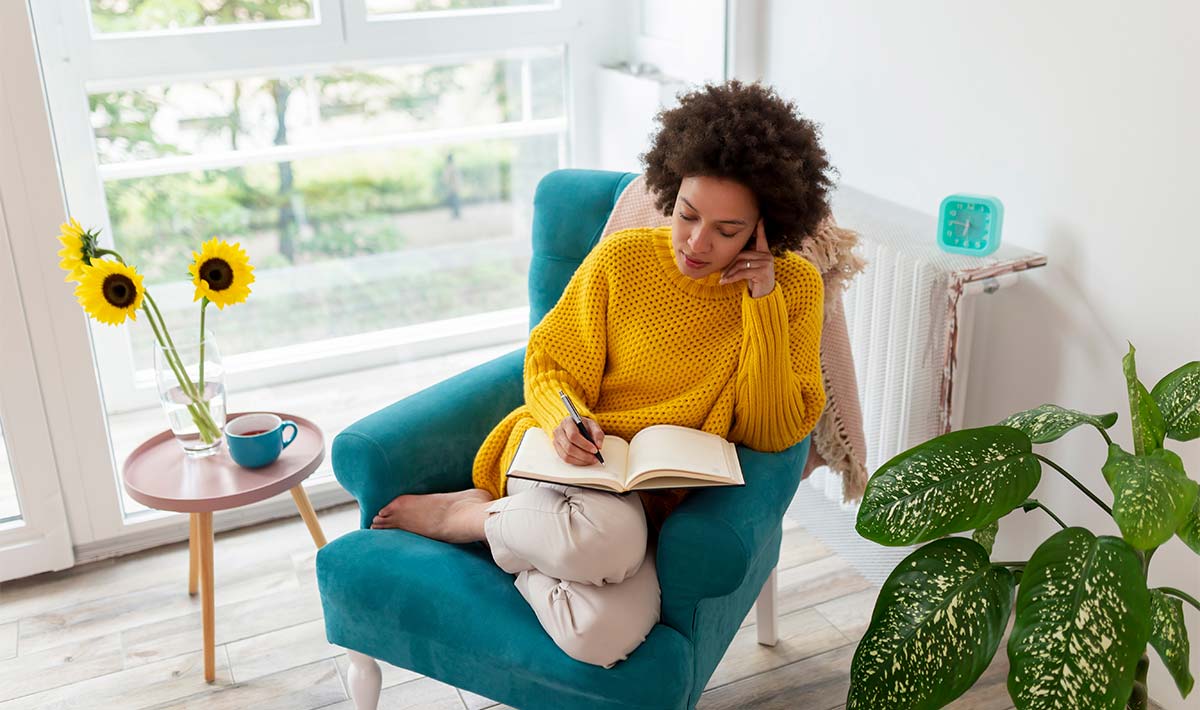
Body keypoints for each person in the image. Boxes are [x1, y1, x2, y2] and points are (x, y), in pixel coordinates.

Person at [369, 80, 831, 669]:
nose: (695, 241)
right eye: (687, 215)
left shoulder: (792, 289)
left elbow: (771, 431)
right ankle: (464, 516)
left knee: (601, 636)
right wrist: (564, 419)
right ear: (671, 188)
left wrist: (760, 302)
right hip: (570, 460)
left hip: (649, 498)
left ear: (767, 227)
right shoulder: (623, 260)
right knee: (606, 540)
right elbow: (549, 360)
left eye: (727, 230)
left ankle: (510, 538)